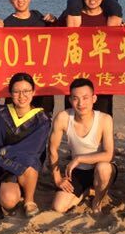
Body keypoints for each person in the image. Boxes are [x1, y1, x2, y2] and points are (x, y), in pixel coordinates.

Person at [0, 73, 51, 220]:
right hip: (2, 165)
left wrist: (1, 153)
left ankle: (29, 200)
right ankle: (17, 189)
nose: (21, 96)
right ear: (10, 93)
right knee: (8, 201)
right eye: (16, 92)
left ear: (33, 92)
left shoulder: (42, 120)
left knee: (30, 161)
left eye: (26, 91)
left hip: (26, 164)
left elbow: (33, 148)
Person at [48, 78, 116, 213]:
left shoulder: (104, 119)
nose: (81, 103)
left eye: (85, 98)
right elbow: (52, 148)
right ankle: (88, 191)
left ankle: (97, 199)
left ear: (94, 99)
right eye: (75, 98)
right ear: (70, 100)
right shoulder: (63, 117)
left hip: (101, 169)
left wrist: (79, 158)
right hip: (78, 170)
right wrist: (57, 178)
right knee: (58, 207)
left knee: (103, 168)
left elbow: (109, 155)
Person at [56, 0, 114, 115]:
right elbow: (52, 38)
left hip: (102, 82)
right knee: (73, 122)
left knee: (102, 121)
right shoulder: (71, 16)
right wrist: (50, 20)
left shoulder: (110, 18)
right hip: (75, 82)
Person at [3, 0, 56, 115]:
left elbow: (59, 37)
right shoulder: (6, 24)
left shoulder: (40, 18)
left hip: (42, 79)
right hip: (18, 81)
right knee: (16, 119)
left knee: (44, 117)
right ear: (10, 0)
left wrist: (54, 20)